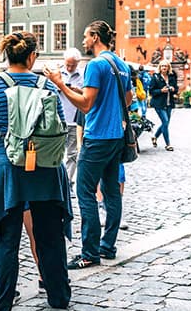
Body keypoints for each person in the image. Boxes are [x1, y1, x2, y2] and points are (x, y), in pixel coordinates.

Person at [0, 31, 72, 311]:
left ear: (7, 54)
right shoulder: (47, 85)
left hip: (6, 168)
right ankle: (59, 295)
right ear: (32, 57)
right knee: (50, 235)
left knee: (7, 241)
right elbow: (59, 126)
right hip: (45, 167)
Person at [44, 20, 132, 270]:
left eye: (86, 36)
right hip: (116, 137)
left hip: (97, 137)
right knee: (112, 192)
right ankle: (108, 246)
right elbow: (128, 99)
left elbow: (85, 104)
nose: (83, 40)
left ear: (95, 37)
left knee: (85, 192)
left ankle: (90, 252)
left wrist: (60, 84)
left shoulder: (95, 65)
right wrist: (108, 107)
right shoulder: (121, 64)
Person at [59, 48, 84, 189]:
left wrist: (79, 91)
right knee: (57, 153)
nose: (69, 68)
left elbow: (87, 96)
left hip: (75, 121)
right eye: (67, 65)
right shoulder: (58, 74)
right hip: (59, 121)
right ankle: (58, 181)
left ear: (77, 63)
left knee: (72, 154)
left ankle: (67, 183)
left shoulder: (83, 75)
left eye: (72, 65)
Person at [150, 60, 178, 151]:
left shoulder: (171, 77)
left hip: (169, 103)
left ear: (168, 67)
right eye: (162, 66)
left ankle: (155, 137)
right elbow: (151, 91)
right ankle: (168, 144)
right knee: (165, 122)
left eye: (165, 66)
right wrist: (161, 91)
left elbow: (176, 89)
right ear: (160, 67)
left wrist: (173, 89)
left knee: (165, 123)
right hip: (159, 103)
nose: (164, 68)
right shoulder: (155, 77)